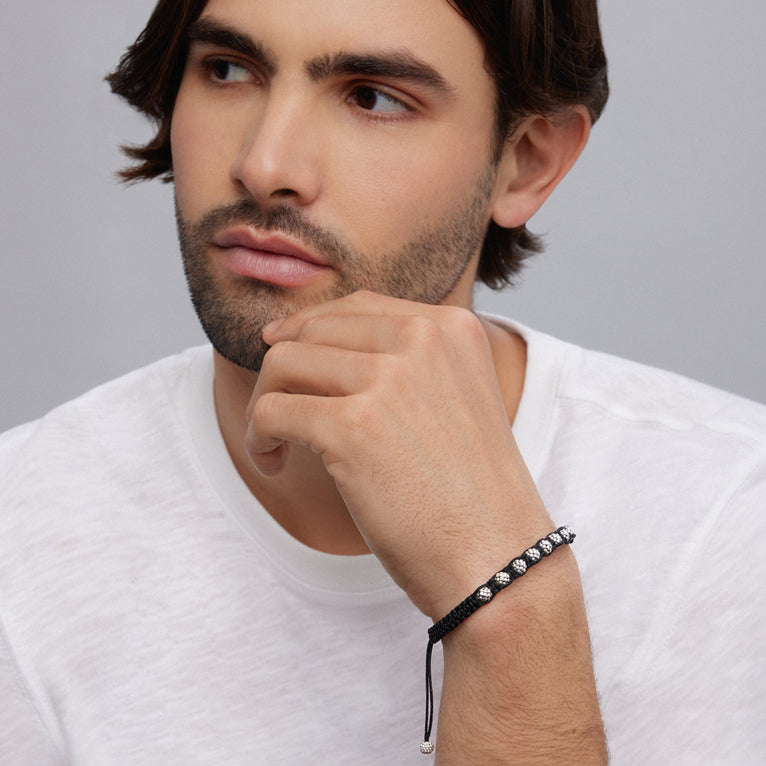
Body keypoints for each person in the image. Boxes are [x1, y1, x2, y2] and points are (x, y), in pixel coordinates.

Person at [0, 0, 763, 763]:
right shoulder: (21, 534)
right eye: (228, 70)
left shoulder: (731, 522)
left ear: (528, 159)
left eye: (371, 96)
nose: (266, 165)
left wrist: (510, 605)